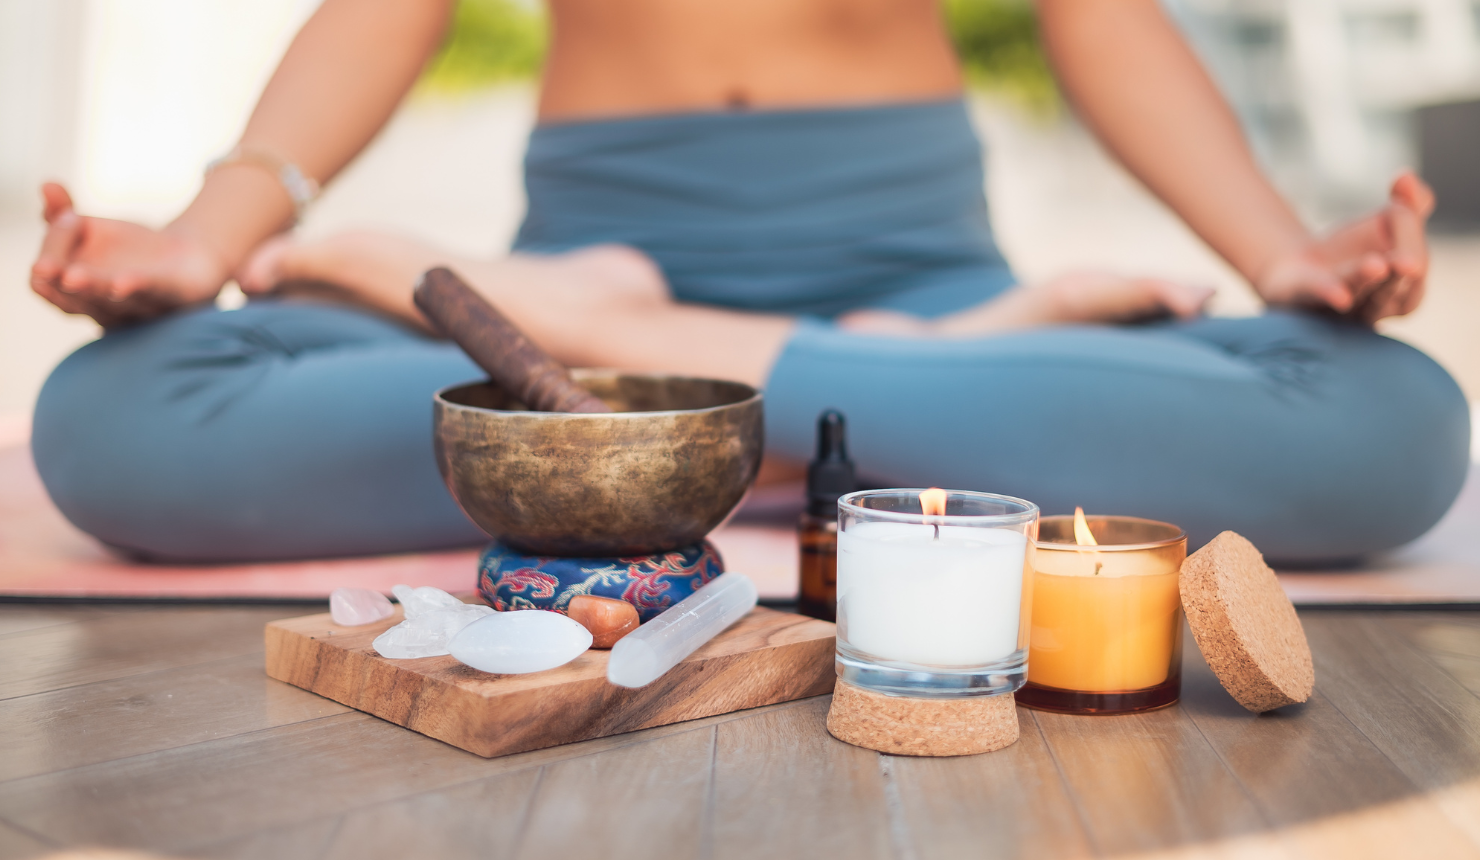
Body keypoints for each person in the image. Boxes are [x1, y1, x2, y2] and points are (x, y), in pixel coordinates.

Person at [28, 0, 1469, 564]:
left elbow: (1103, 19)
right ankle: (879, 409)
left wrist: (1279, 256)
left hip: (636, 317)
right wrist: (199, 246)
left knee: (1384, 426)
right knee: (125, 418)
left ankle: (647, 361)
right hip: (887, 337)